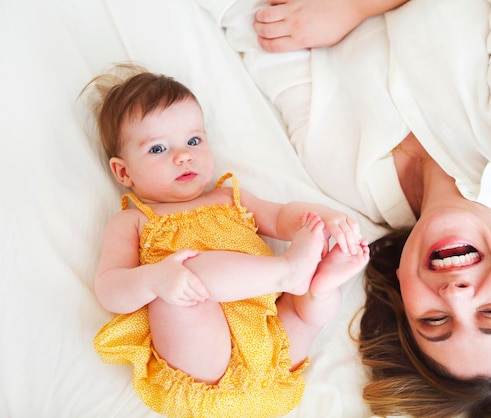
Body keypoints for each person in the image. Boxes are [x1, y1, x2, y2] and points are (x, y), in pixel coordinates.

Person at [199, 0, 491, 417]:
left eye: (435, 321)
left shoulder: (347, 179)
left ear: (404, 288)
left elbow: (258, 24)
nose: (457, 296)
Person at [82, 64, 370, 418]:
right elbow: (110, 288)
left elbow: (281, 217)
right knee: (185, 278)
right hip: (205, 369)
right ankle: (290, 273)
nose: (183, 155)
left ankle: (319, 286)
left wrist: (321, 217)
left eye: (193, 141)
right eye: (158, 149)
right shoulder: (133, 220)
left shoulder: (230, 197)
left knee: (306, 309)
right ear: (123, 172)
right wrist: (154, 279)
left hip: (270, 364)